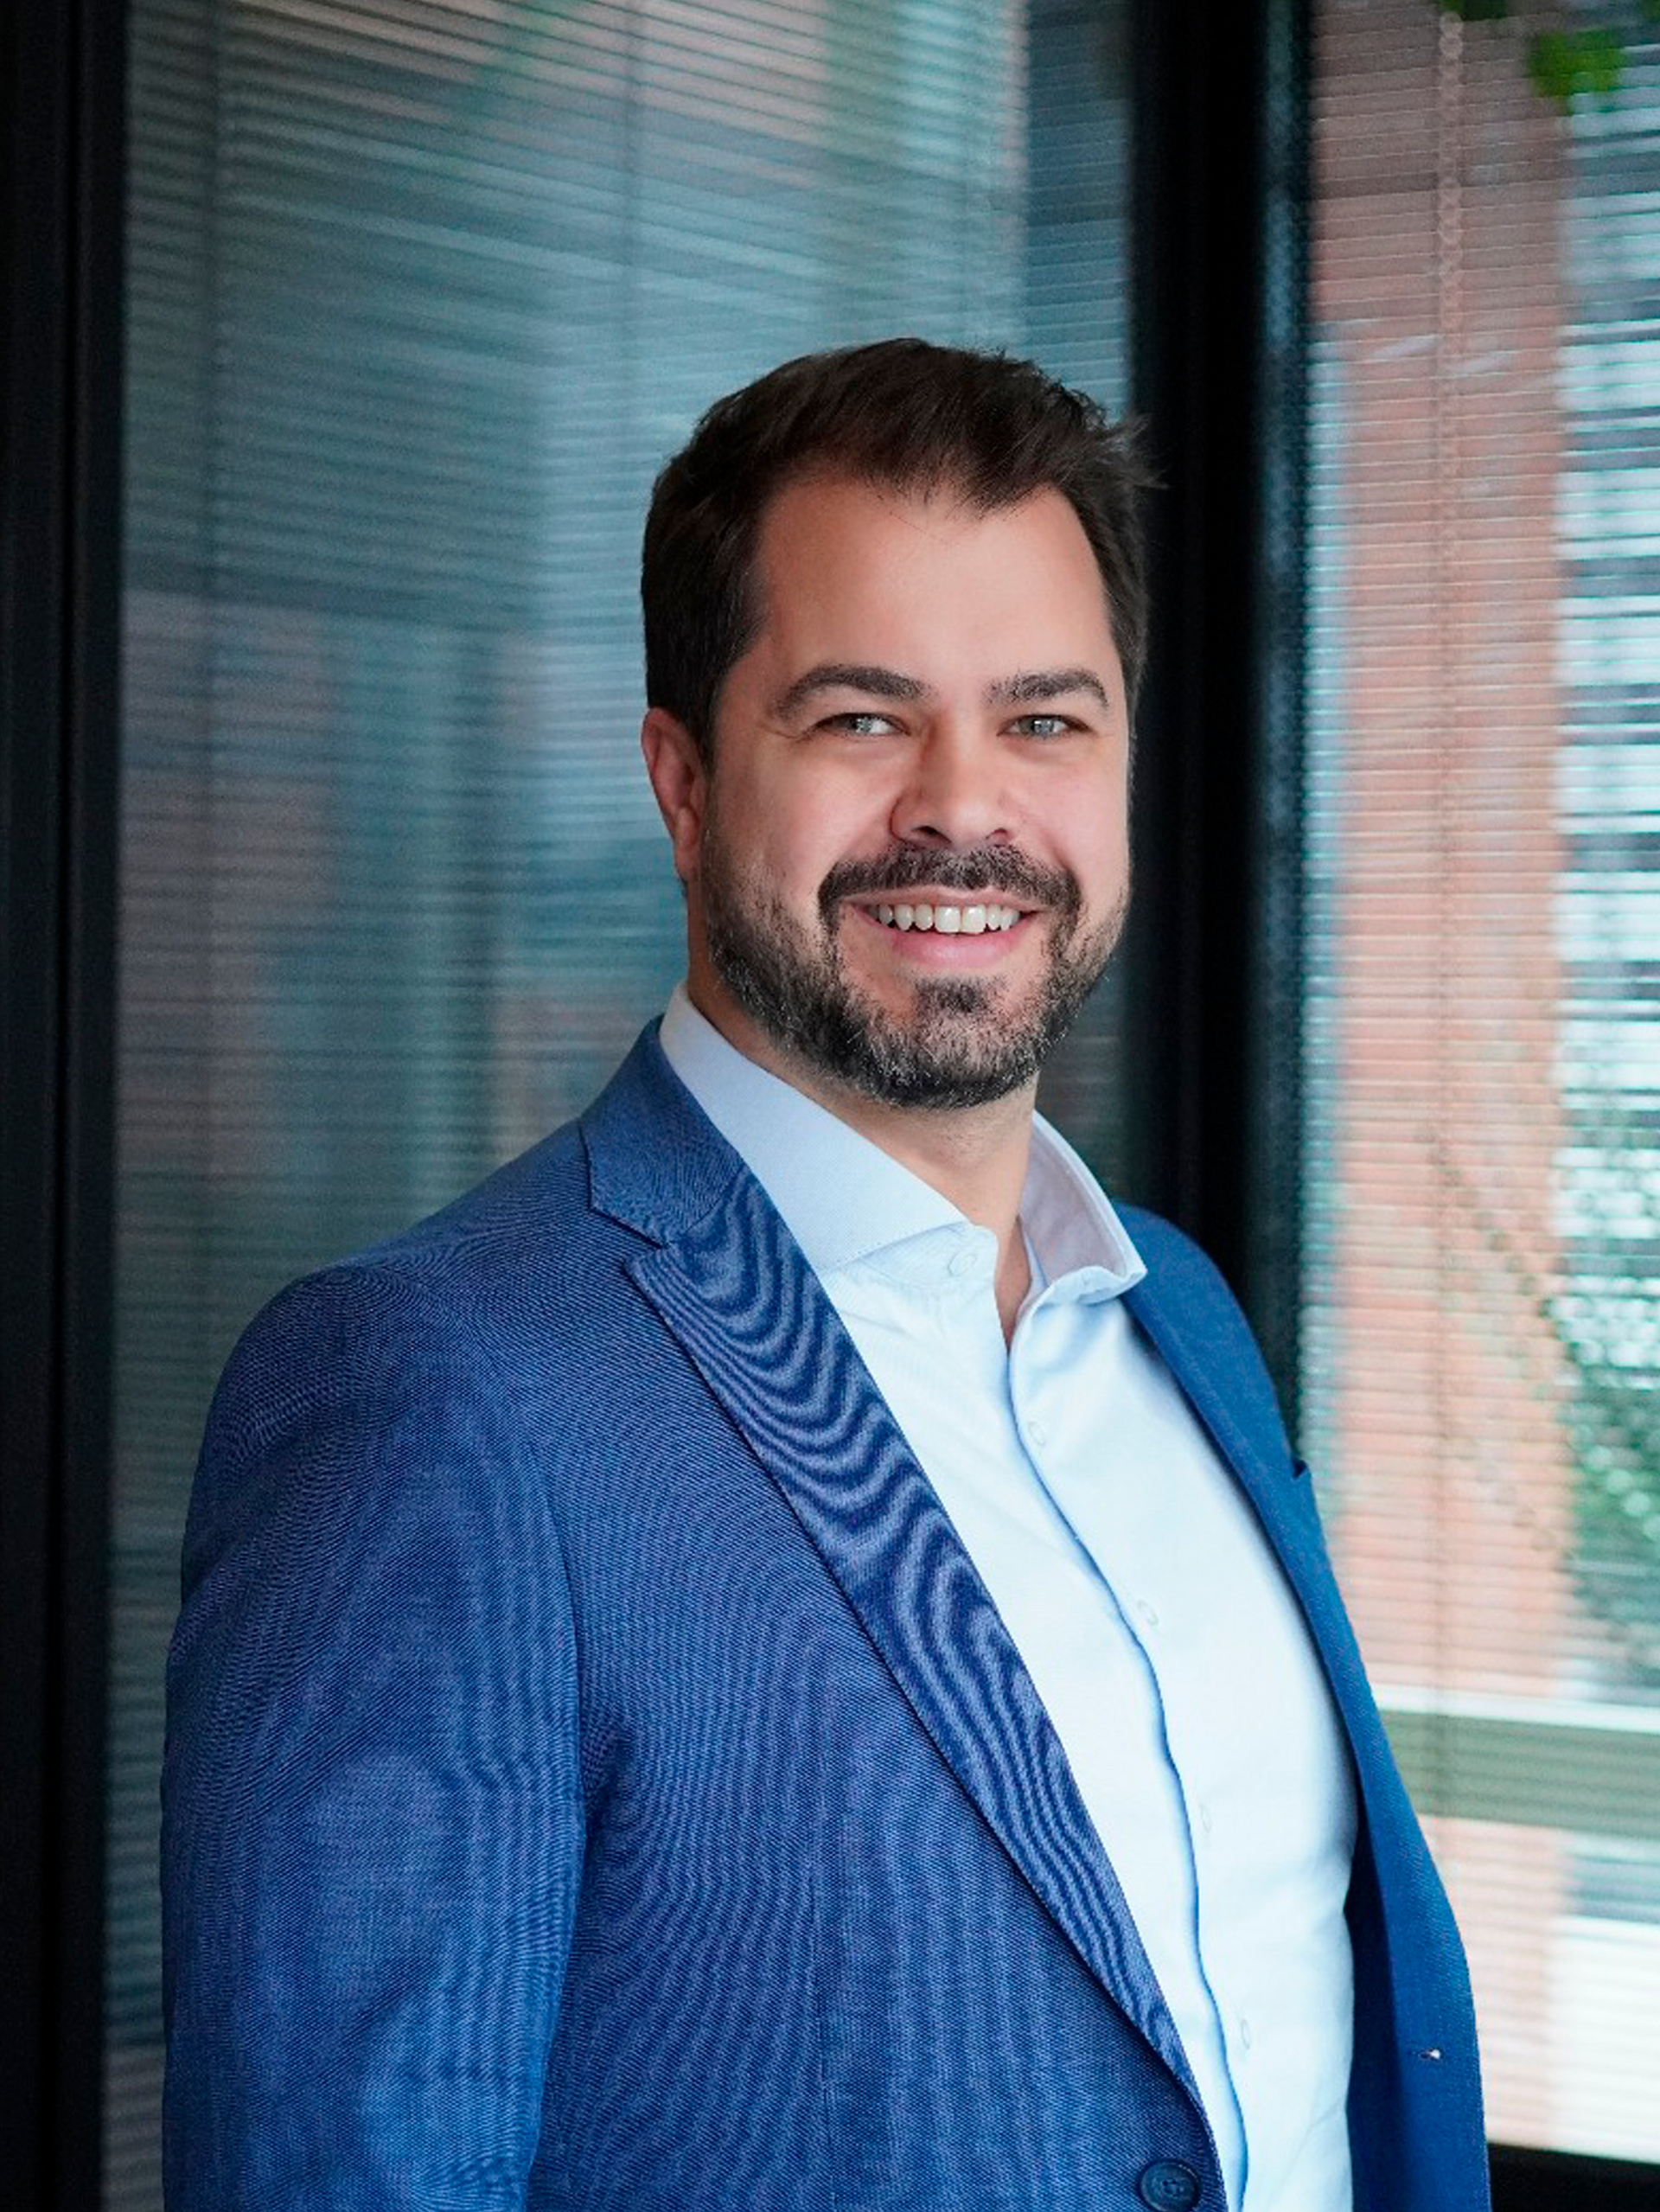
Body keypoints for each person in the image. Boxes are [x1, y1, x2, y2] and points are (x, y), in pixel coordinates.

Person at [162, 339, 1488, 2212]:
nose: (966, 810)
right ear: (685, 781)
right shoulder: (430, 1390)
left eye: (1046, 719)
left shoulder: (1176, 1310)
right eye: (862, 718)